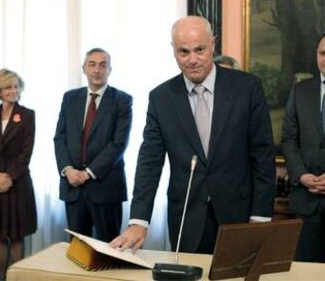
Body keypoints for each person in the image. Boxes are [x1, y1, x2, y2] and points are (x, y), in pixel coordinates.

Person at [110, 16, 276, 254]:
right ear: (173, 51)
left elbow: (262, 156)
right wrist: (138, 221)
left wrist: (260, 217)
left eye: (199, 50)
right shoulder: (161, 98)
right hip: (187, 218)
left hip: (238, 215)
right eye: (183, 52)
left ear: (212, 44)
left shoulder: (247, 88)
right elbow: (149, 163)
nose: (192, 60)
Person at [54, 48, 132, 242]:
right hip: (73, 187)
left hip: (105, 188)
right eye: (92, 64)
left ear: (110, 70)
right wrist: (68, 169)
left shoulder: (122, 100)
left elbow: (118, 144)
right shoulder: (70, 98)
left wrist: (88, 173)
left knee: (109, 250)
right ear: (84, 68)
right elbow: (59, 137)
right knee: (78, 250)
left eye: (102, 65)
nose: (97, 70)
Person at [0, 69, 37, 278]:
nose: (13, 90)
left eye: (16, 86)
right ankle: (2, 277)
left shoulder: (28, 115)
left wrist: (8, 177)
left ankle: (15, 278)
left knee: (17, 236)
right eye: (8, 87)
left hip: (17, 184)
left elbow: (25, 153)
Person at [282, 33, 325, 262]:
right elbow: (289, 139)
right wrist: (301, 174)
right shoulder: (300, 90)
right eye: (322, 53)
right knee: (305, 271)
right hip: (306, 202)